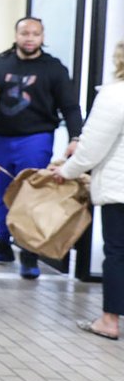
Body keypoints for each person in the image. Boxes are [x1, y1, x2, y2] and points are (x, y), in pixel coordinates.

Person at [0, 17, 83, 279]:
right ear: (17, 35)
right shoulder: (1, 63)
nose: (30, 38)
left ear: (42, 37)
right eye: (25, 33)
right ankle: (3, 245)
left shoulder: (54, 68)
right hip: (2, 139)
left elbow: (69, 106)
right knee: (1, 195)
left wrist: (76, 136)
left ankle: (29, 253)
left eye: (35, 33)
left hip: (36, 139)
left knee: (29, 196)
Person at [52, 40, 124, 341]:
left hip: (120, 190)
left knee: (117, 252)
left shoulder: (115, 95)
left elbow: (92, 149)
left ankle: (109, 320)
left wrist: (66, 171)